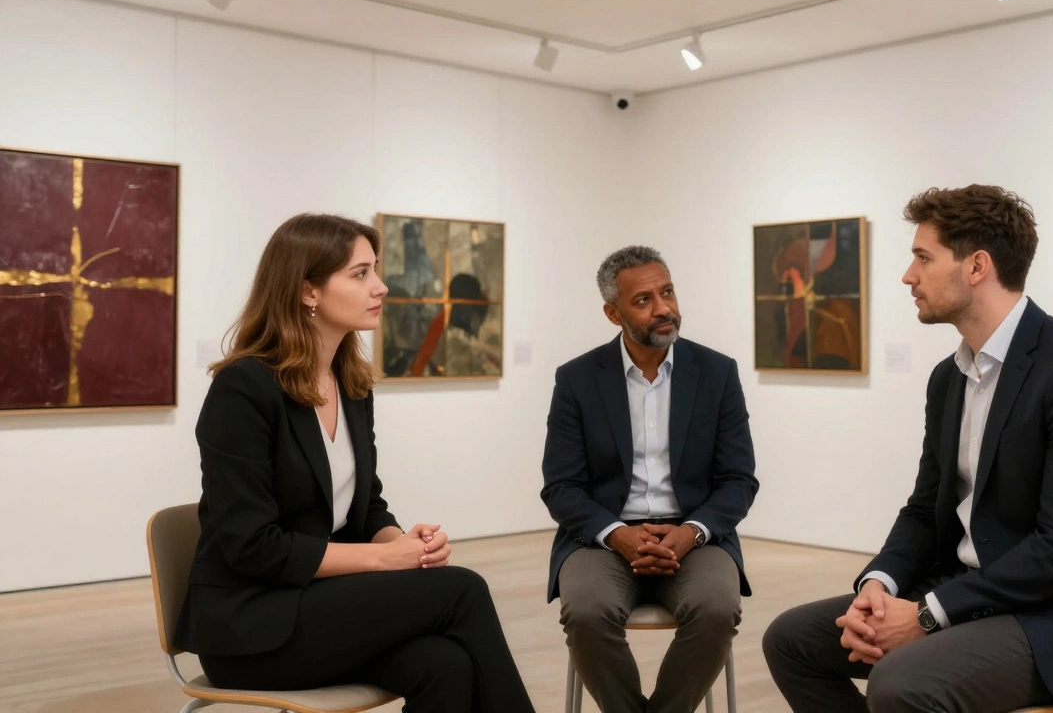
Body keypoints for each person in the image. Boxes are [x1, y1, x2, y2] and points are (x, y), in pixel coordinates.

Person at [762, 185, 1053, 712]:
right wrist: (879, 584)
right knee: (792, 640)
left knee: (902, 683)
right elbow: (924, 508)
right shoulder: (949, 378)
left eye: (922, 258)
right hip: (974, 592)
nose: (908, 276)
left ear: (976, 266)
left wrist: (929, 613)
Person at [175, 213, 536, 713]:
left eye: (376, 270)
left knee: (445, 664)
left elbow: (366, 508)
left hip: (317, 606)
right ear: (308, 292)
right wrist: (386, 560)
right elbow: (251, 546)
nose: (381, 287)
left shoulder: (350, 385)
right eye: (360, 273)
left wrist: (403, 542)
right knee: (462, 590)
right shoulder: (243, 388)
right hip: (251, 625)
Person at [540, 245, 759, 713]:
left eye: (668, 292)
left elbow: (739, 478)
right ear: (612, 313)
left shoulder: (717, 373)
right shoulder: (577, 379)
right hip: (602, 537)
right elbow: (561, 486)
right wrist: (616, 534)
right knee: (586, 612)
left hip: (696, 535)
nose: (664, 309)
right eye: (644, 300)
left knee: (718, 609)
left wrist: (692, 532)